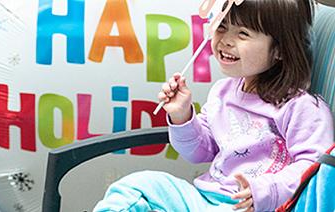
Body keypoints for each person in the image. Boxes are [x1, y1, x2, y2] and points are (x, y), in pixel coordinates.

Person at [94, 0, 334, 211]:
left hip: (251, 206)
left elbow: (313, 169)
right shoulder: (222, 92)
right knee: (138, 186)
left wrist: (267, 191)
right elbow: (200, 151)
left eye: (243, 34)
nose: (226, 41)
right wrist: (182, 115)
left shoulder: (301, 107)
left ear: (280, 50)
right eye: (221, 26)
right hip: (203, 197)